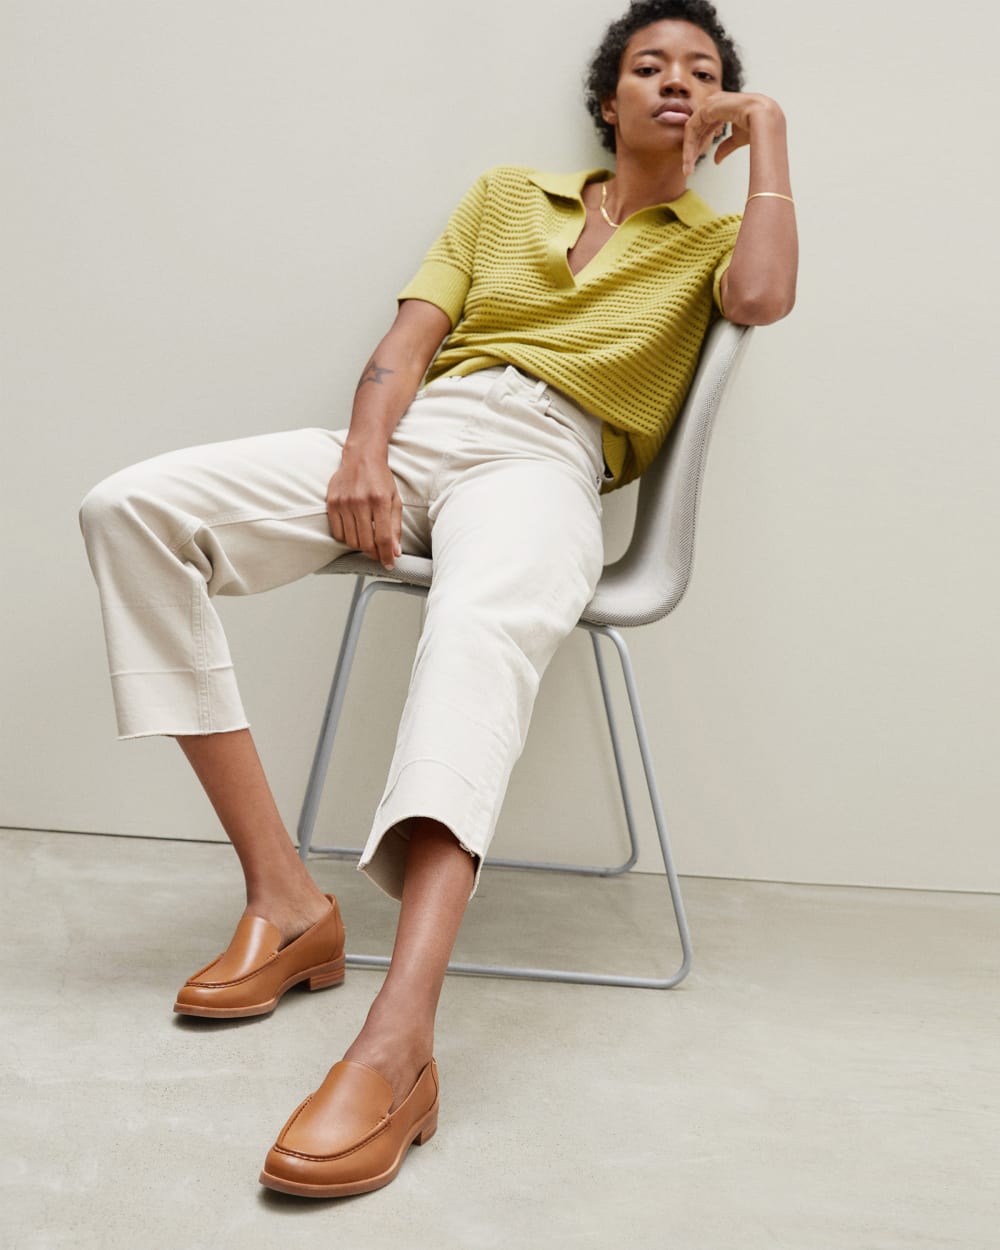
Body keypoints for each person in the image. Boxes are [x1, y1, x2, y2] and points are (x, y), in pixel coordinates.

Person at [79, 0, 796, 1198]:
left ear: (718, 108)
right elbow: (409, 339)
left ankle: (397, 1042)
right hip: (421, 432)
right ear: (608, 98)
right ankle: (285, 897)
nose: (677, 80)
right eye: (649, 65)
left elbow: (764, 297)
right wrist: (364, 447)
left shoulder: (714, 244)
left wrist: (768, 131)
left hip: (547, 462)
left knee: (470, 637)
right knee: (130, 510)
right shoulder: (507, 195)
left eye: (704, 71)